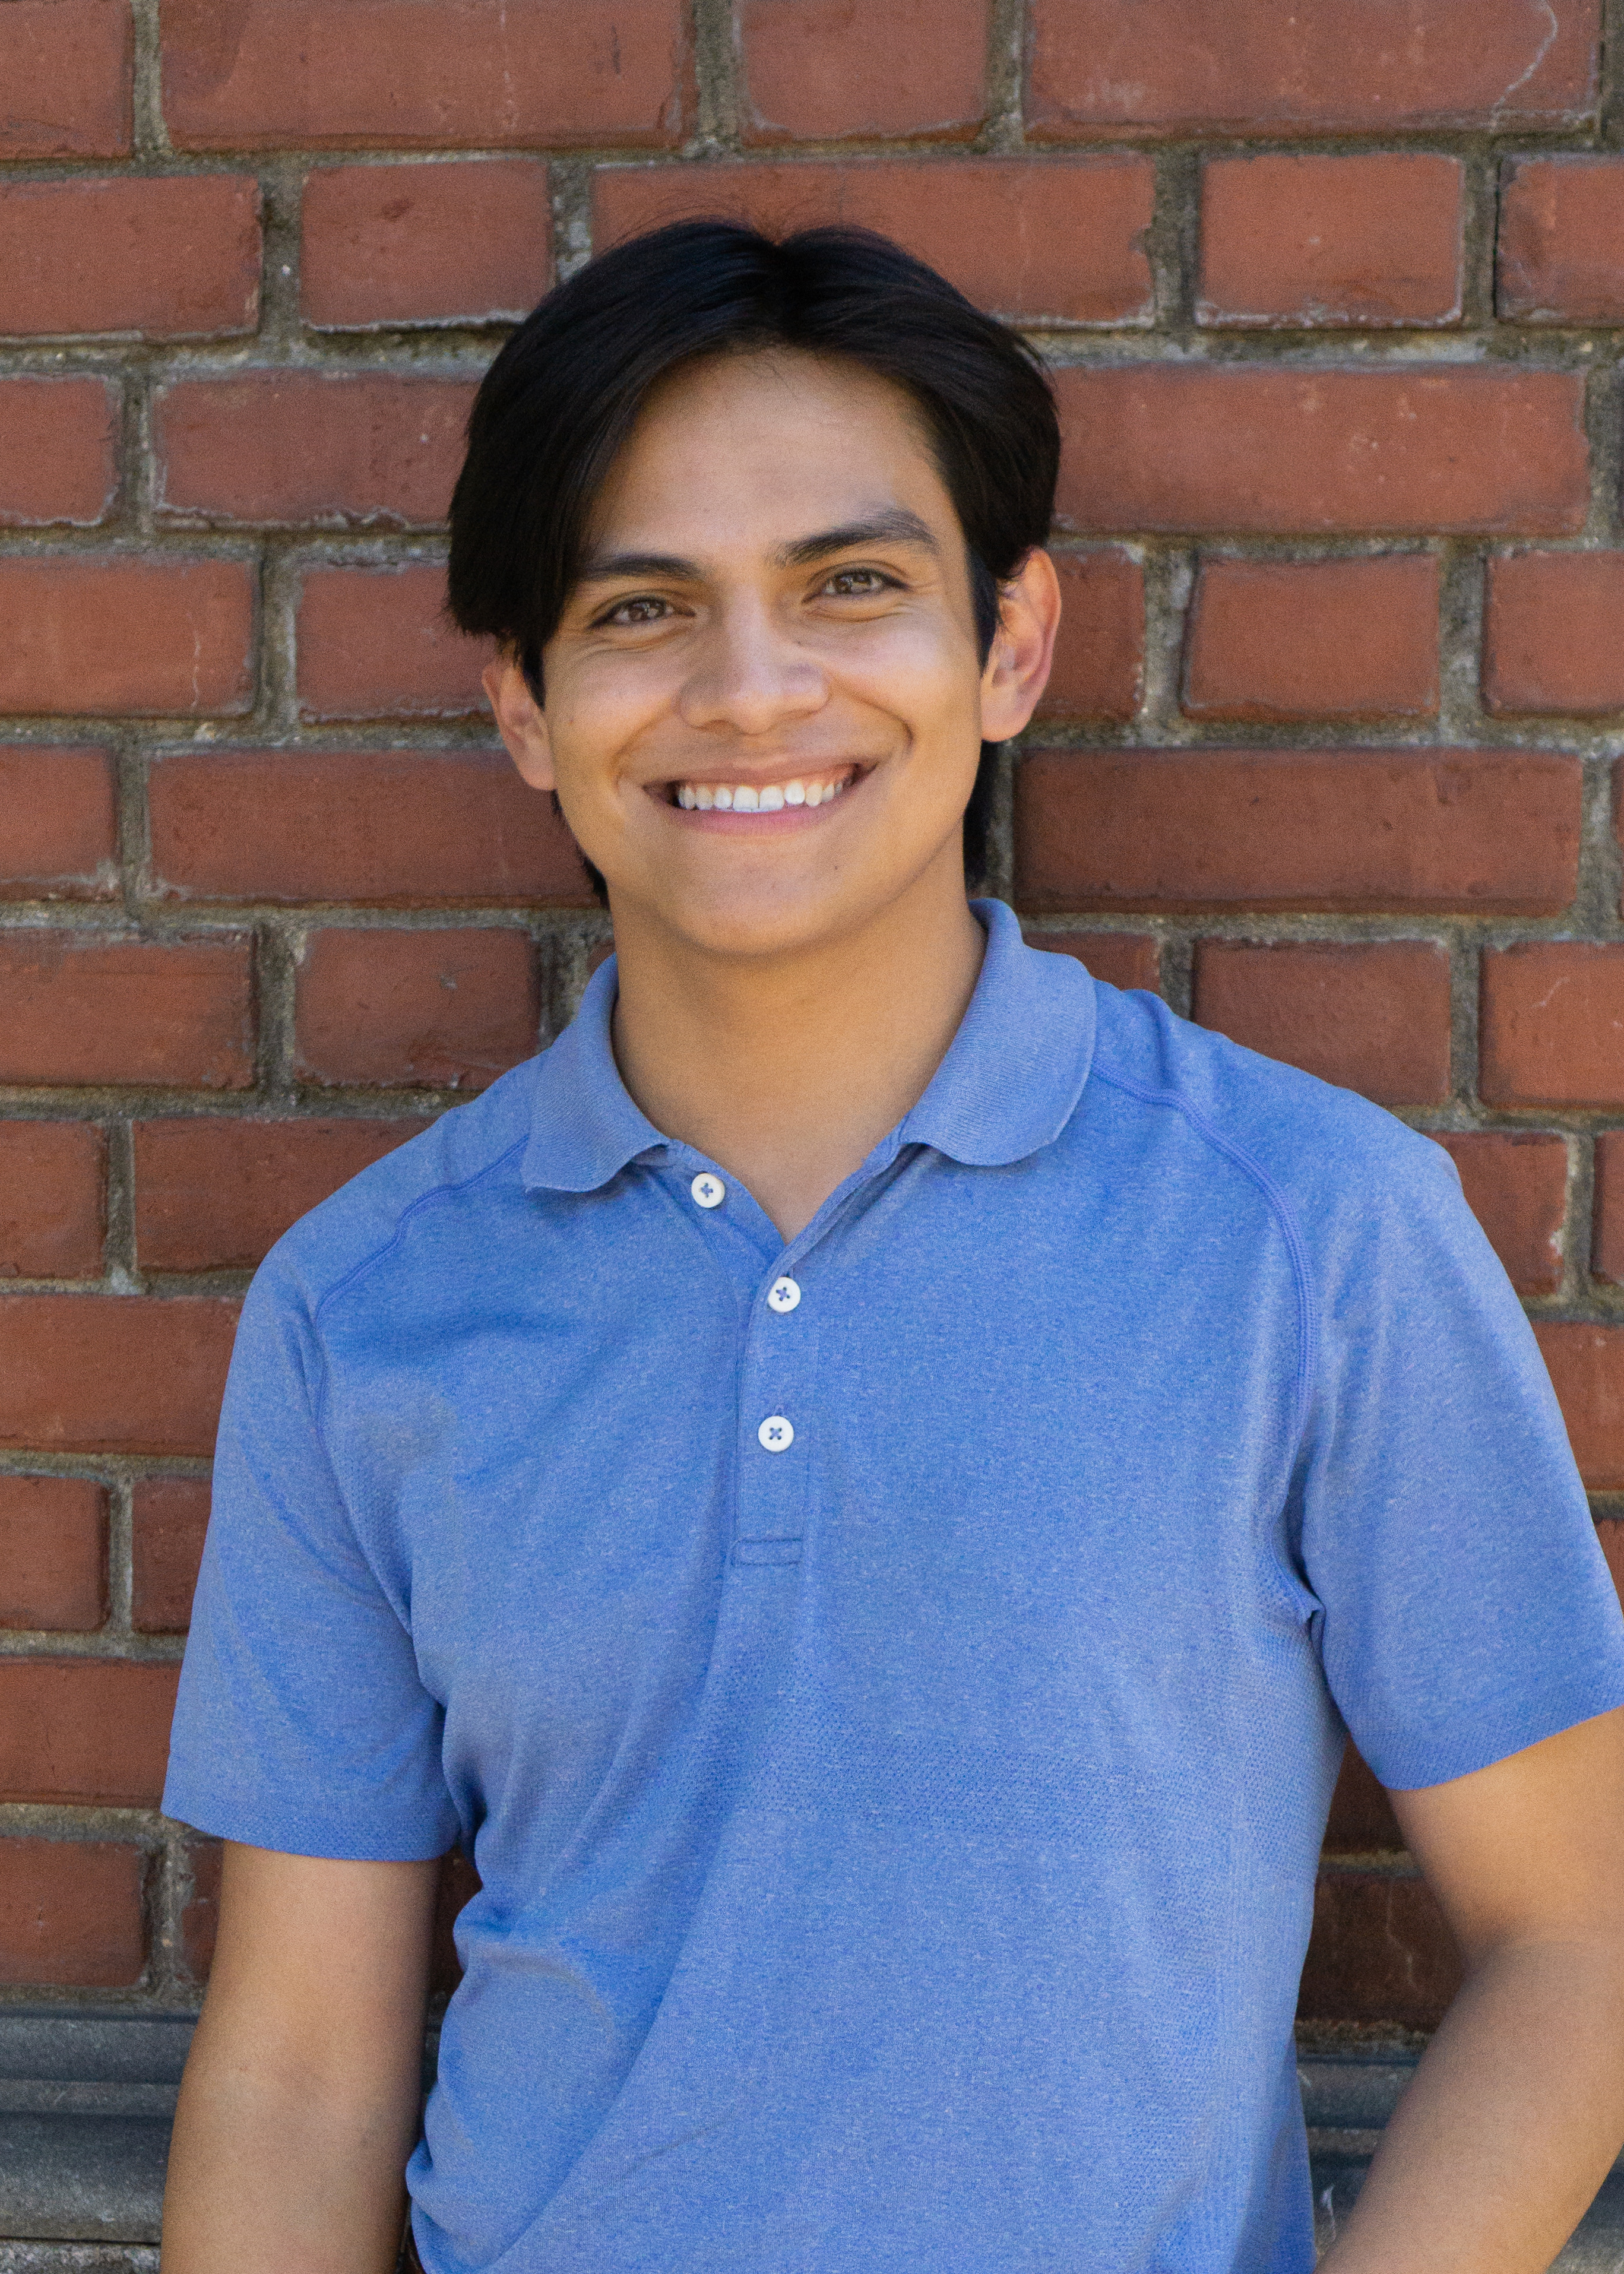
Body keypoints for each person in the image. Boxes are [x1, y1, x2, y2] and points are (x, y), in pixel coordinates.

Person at [160, 221, 1624, 2274]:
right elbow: (301, 2064)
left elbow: (1585, 1945)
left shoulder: (1314, 1233)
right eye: (644, 607)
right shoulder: (362, 1309)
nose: (754, 691)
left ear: (1012, 645)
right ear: (523, 704)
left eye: (851, 586)